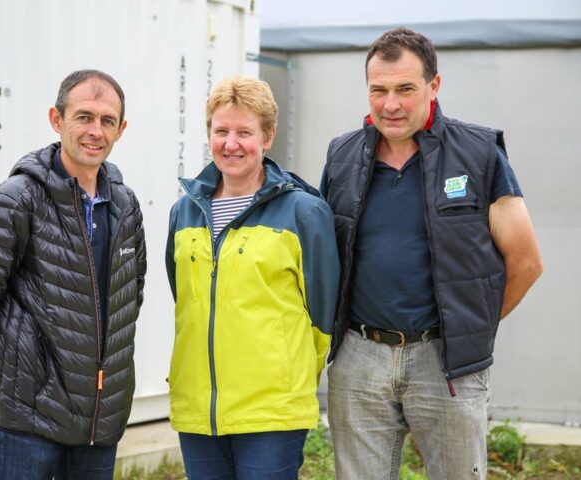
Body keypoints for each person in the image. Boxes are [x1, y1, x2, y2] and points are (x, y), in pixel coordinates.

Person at [321, 28, 544, 479]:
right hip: (359, 357)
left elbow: (525, 262)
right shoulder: (342, 154)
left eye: (405, 89)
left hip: (445, 361)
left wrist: (468, 327)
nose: (391, 104)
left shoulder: (479, 154)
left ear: (434, 86)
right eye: (378, 90)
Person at [0, 69, 146, 480]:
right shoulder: (17, 199)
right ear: (57, 119)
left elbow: (128, 299)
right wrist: (14, 373)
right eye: (83, 116)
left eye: (107, 121)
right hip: (29, 425)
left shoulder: (125, 205)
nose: (95, 131)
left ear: (121, 129)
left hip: (99, 425)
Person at [165, 77, 340, 480]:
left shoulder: (304, 212)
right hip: (198, 409)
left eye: (245, 132)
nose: (231, 144)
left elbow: (322, 315)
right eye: (221, 131)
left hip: (271, 412)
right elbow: (187, 300)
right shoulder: (183, 212)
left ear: (268, 136)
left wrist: (284, 375)